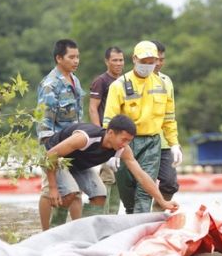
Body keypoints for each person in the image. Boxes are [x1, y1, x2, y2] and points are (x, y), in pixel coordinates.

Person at [45, 115, 179, 228]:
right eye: (124, 139)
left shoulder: (123, 149)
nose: (125, 144)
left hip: (78, 165)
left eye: (129, 141)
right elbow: (50, 155)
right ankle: (54, 231)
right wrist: (53, 188)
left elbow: (141, 175)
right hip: (57, 160)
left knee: (100, 195)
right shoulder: (85, 138)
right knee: (70, 192)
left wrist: (162, 201)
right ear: (110, 133)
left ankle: (84, 232)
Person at [103, 41, 183, 214]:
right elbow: (109, 121)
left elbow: (169, 118)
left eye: (151, 62)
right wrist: (111, 151)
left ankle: (143, 226)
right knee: (127, 191)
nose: (147, 66)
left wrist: (174, 144)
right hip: (125, 143)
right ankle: (133, 219)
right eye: (143, 61)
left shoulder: (162, 84)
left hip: (151, 143)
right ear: (134, 59)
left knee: (144, 190)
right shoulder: (119, 85)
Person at [36, 39, 84, 230]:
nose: (76, 61)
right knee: (51, 191)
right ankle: (46, 232)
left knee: (75, 192)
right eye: (71, 57)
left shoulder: (75, 80)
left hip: (73, 146)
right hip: (54, 147)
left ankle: (78, 232)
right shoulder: (50, 85)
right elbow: (44, 124)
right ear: (59, 58)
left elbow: (78, 116)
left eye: (77, 56)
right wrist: (50, 158)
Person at [89, 46, 125, 214]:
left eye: (121, 60)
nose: (118, 63)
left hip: (123, 138)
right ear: (106, 61)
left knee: (119, 178)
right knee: (108, 177)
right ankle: (101, 216)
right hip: (108, 136)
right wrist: (100, 133)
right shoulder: (101, 81)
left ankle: (113, 216)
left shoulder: (126, 80)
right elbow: (93, 108)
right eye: (115, 60)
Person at [150, 40, 180, 212]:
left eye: (162, 59)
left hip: (164, 142)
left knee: (170, 183)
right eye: (156, 59)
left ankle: (158, 212)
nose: (159, 63)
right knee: (142, 186)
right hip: (142, 140)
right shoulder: (132, 81)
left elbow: (170, 115)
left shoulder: (166, 81)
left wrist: (174, 142)